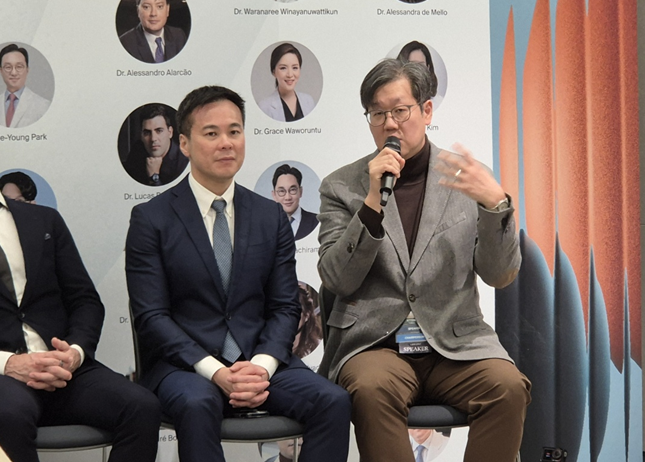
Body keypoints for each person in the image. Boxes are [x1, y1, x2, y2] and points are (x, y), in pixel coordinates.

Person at [317, 58, 531, 462]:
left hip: (455, 345)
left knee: (507, 387)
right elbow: (337, 280)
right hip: (377, 347)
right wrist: (371, 203)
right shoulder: (342, 186)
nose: (390, 124)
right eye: (378, 114)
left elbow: (500, 274)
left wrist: (496, 205)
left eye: (400, 110)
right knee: (371, 389)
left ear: (426, 110)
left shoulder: (467, 179)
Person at [125, 85, 350, 462]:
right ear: (184, 143)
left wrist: (261, 367)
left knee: (333, 400)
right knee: (197, 405)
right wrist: (216, 372)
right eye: (211, 133)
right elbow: (151, 316)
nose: (226, 143)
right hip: (186, 367)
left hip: (260, 361)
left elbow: (284, 307)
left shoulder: (270, 215)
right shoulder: (152, 219)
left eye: (234, 131)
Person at [0, 194, 161, 462]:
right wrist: (9, 364)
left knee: (141, 406)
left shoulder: (44, 219)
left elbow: (85, 300)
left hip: (66, 369)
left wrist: (75, 352)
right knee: (8, 416)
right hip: (4, 377)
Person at [123, 104, 188, 186]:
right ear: (141, 136)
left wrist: (154, 176)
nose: (153, 138)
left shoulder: (183, 160)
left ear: (170, 132)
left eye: (159, 131)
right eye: (147, 133)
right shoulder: (137, 152)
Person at [258, 43, 315, 122]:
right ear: (274, 72)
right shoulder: (264, 107)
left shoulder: (309, 101)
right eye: (283, 68)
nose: (290, 74)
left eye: (295, 68)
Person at [119, 0, 187, 64]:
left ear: (167, 9)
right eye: (146, 7)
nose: (153, 14)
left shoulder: (179, 36)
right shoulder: (125, 43)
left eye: (159, 6)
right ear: (138, 11)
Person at [0, 44, 50, 128]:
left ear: (27, 70)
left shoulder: (43, 106)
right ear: (1, 71)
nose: (13, 73)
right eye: (8, 67)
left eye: (19, 67)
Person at [271, 164, 318, 240]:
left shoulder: (317, 222)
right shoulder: (265, 225)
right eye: (281, 191)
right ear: (274, 195)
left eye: (292, 190)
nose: (287, 197)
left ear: (300, 192)